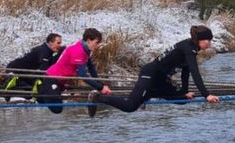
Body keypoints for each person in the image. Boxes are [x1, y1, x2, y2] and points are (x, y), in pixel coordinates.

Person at [90, 25, 220, 115]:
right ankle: (97, 97)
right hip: (150, 75)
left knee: (181, 100)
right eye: (208, 40)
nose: (209, 43)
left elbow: (186, 71)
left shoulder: (191, 48)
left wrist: (184, 91)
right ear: (200, 40)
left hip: (160, 79)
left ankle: (146, 96)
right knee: (129, 107)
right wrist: (206, 95)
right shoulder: (188, 49)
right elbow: (194, 72)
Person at [41, 28, 111, 114]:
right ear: (89, 41)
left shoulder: (85, 48)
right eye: (96, 43)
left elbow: (91, 68)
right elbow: (83, 76)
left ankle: (46, 93)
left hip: (61, 81)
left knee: (57, 105)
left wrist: (101, 85)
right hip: (51, 78)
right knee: (57, 109)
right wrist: (101, 87)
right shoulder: (79, 51)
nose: (98, 45)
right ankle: (42, 93)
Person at [0, 33, 64, 100]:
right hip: (15, 70)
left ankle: (7, 93)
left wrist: (59, 54)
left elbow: (48, 65)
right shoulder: (44, 51)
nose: (60, 45)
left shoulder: (46, 49)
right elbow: (44, 68)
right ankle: (6, 91)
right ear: (50, 42)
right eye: (58, 43)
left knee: (30, 91)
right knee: (29, 92)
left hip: (23, 71)